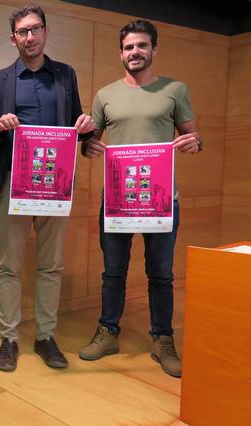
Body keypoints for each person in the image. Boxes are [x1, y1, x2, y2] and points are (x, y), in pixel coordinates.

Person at [0, 3, 95, 372]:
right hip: (12, 181)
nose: (30, 36)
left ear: (45, 32)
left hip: (53, 183)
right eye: (22, 31)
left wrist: (86, 128)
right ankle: (9, 339)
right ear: (13, 39)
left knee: (51, 265)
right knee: (9, 266)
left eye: (35, 29)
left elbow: (75, 129)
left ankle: (45, 336)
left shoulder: (65, 75)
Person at [79, 19, 203, 378]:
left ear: (154, 49)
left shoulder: (175, 90)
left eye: (142, 46)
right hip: (117, 199)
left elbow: (193, 138)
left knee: (161, 274)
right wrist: (88, 147)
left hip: (162, 199)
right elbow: (92, 142)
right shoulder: (104, 95)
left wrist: (196, 144)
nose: (135, 52)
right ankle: (108, 331)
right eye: (129, 47)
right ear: (121, 53)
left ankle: (162, 340)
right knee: (112, 272)